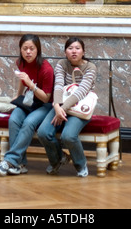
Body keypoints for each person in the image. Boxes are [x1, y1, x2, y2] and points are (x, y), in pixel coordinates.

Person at [38, 37, 98, 178]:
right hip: (60, 105)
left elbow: (81, 92)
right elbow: (58, 86)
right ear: (65, 52)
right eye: (70, 48)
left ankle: (80, 164)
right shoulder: (61, 64)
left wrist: (61, 109)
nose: (74, 51)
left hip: (80, 109)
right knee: (43, 132)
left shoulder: (90, 67)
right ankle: (58, 160)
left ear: (83, 51)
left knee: (68, 136)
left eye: (77, 48)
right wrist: (57, 107)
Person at [0, 34, 54, 176]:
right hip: (28, 101)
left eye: (31, 49)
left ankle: (10, 161)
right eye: (25, 48)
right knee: (14, 119)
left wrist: (30, 84)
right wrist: (18, 95)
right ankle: (20, 164)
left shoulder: (47, 69)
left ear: (38, 50)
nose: (28, 52)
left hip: (44, 105)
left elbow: (46, 98)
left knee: (28, 122)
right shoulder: (20, 62)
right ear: (20, 50)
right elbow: (22, 79)